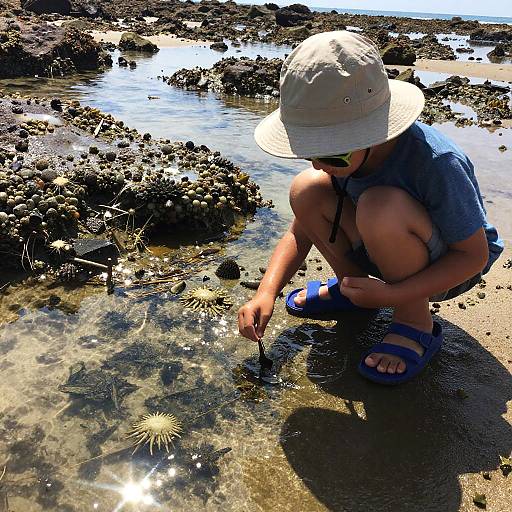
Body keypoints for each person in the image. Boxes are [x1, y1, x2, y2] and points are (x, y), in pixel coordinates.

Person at [237, 31, 504, 385]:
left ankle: (413, 321)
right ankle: (355, 289)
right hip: (390, 243)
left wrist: (395, 296)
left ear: (374, 133)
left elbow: (471, 256)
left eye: (330, 152)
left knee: (380, 206)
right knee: (306, 188)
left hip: (450, 268)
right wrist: (267, 291)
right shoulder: (341, 160)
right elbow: (300, 231)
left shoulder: (436, 163)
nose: (318, 163)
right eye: (308, 150)